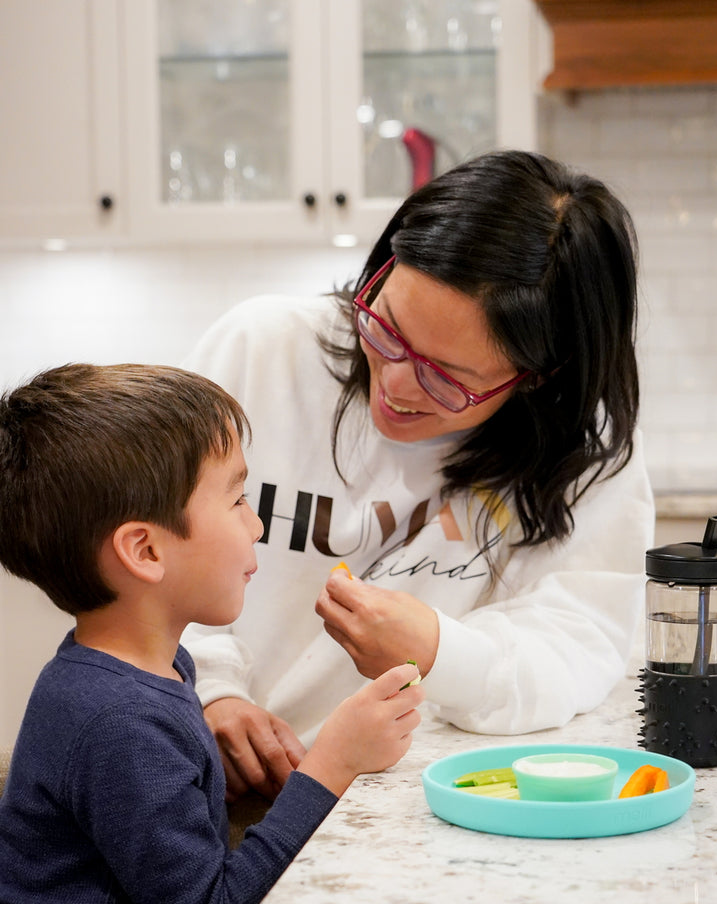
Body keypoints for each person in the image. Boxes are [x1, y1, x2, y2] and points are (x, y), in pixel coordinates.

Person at [181, 149, 655, 802]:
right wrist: (211, 691)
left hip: (392, 811)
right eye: (386, 328)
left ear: (538, 377)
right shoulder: (261, 349)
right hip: (196, 786)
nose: (397, 386)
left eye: (449, 376)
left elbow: (575, 652)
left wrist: (437, 651)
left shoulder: (586, 464)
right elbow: (143, 552)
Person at [0, 363, 423, 904]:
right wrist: (331, 764)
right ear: (146, 551)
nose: (258, 522)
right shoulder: (119, 720)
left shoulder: (161, 672)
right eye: (236, 499)